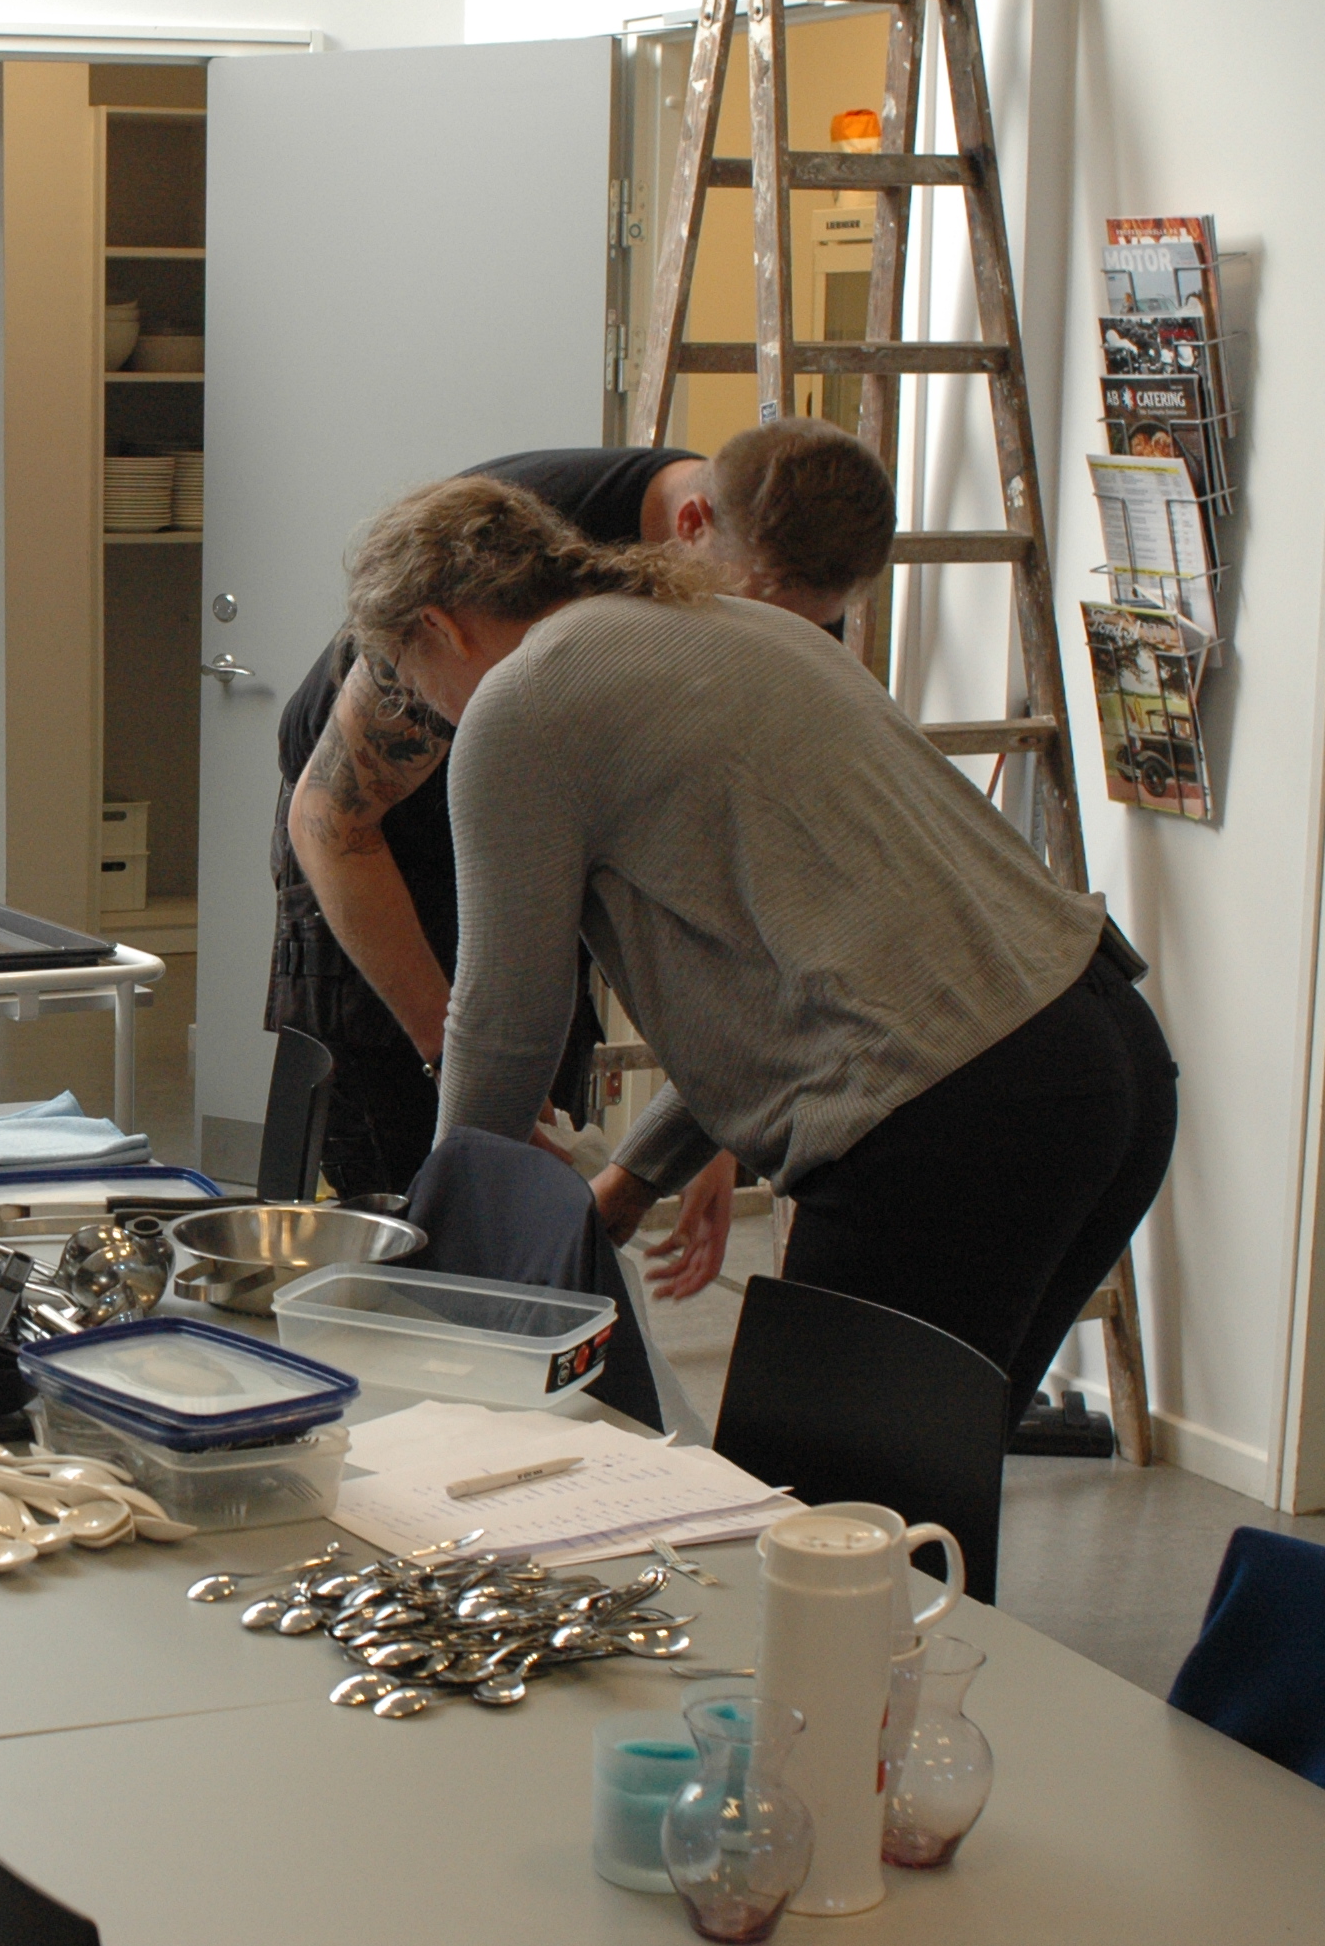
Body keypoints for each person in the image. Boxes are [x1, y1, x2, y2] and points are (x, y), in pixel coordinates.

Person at [344, 475, 1174, 1423]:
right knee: (923, 1474)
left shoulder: (521, 703)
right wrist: (636, 1175)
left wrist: (437, 1245)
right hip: (1107, 1059)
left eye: (411, 680)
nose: (433, 714)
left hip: (953, 1118)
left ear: (441, 627)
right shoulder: (740, 624)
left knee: (808, 1501)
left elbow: (505, 1024)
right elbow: (790, 982)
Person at [269, 422, 897, 1288]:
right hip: (379, 858)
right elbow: (331, 824)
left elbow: (715, 894)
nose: (759, 639)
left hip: (540, 844)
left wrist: (716, 1126)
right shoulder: (493, 565)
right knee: (421, 1212)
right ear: (691, 528)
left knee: (536, 1182)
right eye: (752, 607)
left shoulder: (768, 605)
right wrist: (450, 1054)